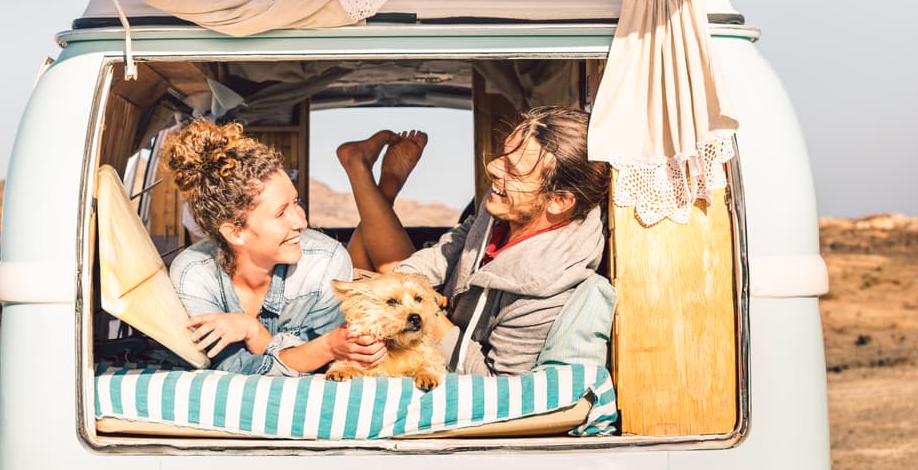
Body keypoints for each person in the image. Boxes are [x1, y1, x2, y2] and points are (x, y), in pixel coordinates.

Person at [337, 106, 612, 376]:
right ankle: (373, 179)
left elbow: (493, 380)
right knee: (381, 285)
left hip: (443, 353)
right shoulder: (508, 203)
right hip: (444, 312)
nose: (493, 167)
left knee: (365, 290)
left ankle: (365, 173)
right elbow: (460, 240)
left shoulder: (546, 289)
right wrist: (411, 280)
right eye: (503, 155)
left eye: (514, 170)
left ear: (558, 201)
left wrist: (427, 312)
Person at [164, 119, 385, 376]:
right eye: (281, 213)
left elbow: (324, 370)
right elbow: (227, 368)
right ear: (234, 232)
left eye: (296, 202)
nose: (301, 221)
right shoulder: (194, 274)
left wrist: (253, 331)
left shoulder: (326, 262)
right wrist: (325, 347)